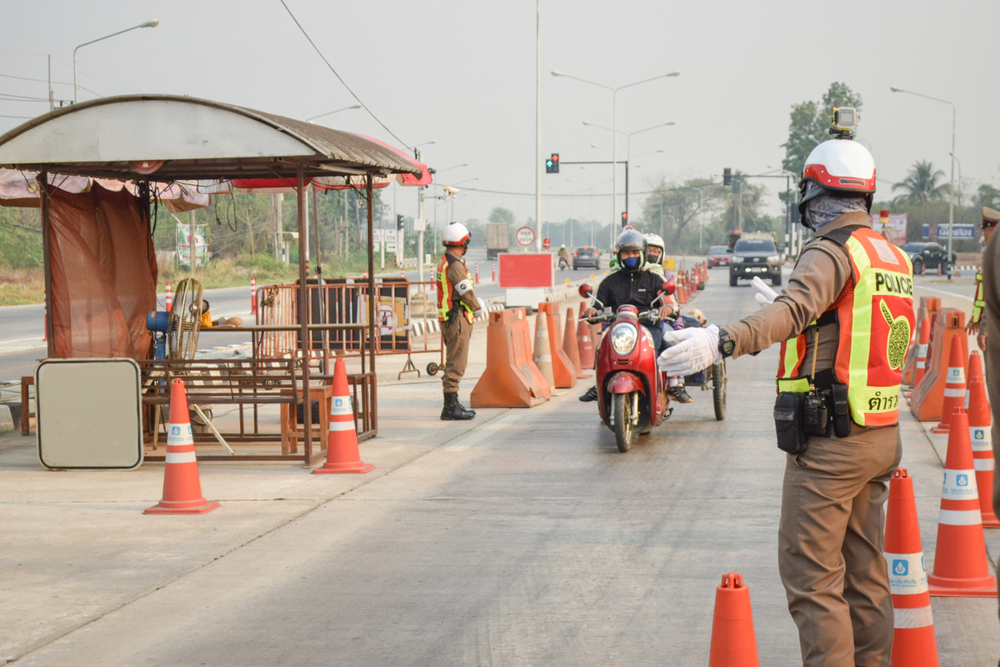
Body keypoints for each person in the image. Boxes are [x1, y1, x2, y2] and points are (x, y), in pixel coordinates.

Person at [658, 136, 911, 667]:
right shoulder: (889, 255)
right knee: (866, 575)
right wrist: (811, 317)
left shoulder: (830, 249)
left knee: (812, 579)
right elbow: (854, 328)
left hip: (832, 447)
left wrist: (722, 340)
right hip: (881, 436)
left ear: (815, 195)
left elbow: (793, 310)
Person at [579, 229, 683, 402]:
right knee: (602, 347)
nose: (631, 256)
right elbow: (597, 304)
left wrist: (669, 308)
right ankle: (600, 385)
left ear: (643, 254)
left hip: (649, 327)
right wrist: (592, 311)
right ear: (619, 255)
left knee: (664, 346)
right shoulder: (610, 281)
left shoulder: (654, 277)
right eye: (626, 253)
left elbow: (670, 301)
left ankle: (673, 385)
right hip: (619, 328)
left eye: (635, 252)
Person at [436, 222, 487, 420]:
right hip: (457, 318)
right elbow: (465, 292)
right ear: (462, 242)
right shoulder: (455, 265)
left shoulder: (446, 260)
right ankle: (450, 407)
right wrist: (477, 306)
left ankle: (453, 403)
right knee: (456, 363)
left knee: (455, 360)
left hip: (450, 317)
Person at [967, 206, 1000, 351]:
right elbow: (981, 296)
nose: (983, 236)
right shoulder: (991, 256)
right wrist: (975, 319)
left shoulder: (995, 258)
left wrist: (985, 329)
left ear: (993, 232)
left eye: (985, 231)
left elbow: (993, 298)